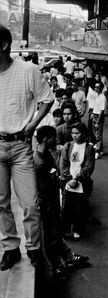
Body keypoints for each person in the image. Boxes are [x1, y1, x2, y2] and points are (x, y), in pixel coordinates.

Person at [0, 25, 54, 270]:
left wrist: (33, 124)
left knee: (30, 203)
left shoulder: (28, 70)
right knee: (0, 202)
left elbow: (47, 98)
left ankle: (33, 248)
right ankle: (11, 248)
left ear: (3, 45)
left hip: (21, 146)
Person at [34, 126, 89, 278]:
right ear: (46, 139)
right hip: (48, 205)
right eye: (53, 138)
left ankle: (68, 257)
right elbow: (43, 189)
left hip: (53, 202)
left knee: (56, 233)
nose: (56, 140)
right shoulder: (39, 162)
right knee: (51, 236)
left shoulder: (47, 154)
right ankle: (57, 265)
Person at [60, 122, 95, 240]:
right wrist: (69, 179)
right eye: (73, 133)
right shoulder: (68, 146)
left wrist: (77, 178)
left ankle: (78, 230)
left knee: (80, 209)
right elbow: (63, 163)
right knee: (67, 208)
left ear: (83, 134)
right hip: (69, 182)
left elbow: (89, 166)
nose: (74, 135)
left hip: (81, 183)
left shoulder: (89, 148)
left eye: (77, 133)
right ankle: (65, 230)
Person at [92, 82, 107, 160]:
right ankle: (100, 150)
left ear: (101, 88)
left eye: (97, 87)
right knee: (96, 134)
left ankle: (97, 152)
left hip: (99, 117)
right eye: (95, 87)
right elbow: (96, 107)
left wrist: (97, 122)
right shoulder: (97, 96)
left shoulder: (102, 97)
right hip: (94, 115)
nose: (96, 88)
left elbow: (101, 111)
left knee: (98, 136)